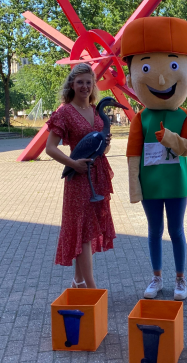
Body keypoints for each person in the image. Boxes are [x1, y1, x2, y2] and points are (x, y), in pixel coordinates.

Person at [121, 16, 187, 301]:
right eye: (146, 67)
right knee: (154, 231)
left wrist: (170, 138)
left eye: (174, 65)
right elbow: (132, 155)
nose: (163, 78)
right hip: (151, 184)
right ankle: (156, 277)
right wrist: (134, 187)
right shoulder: (140, 118)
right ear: (131, 78)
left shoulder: (185, 116)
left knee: (177, 231)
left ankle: (181, 278)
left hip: (176, 183)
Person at [45, 62, 118, 289]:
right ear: (72, 85)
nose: (85, 86)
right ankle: (91, 286)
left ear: (93, 85)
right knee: (84, 232)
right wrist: (73, 164)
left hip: (98, 177)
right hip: (78, 179)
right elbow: (50, 147)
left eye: (89, 82)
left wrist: (106, 146)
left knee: (87, 229)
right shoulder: (65, 112)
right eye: (80, 82)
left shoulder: (97, 112)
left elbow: (102, 150)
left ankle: (78, 282)